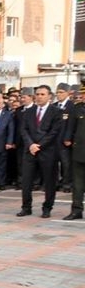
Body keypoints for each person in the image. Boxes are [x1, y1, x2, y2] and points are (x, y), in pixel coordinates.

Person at [17, 85, 63, 218]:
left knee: (49, 181)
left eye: (43, 94)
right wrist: (31, 144)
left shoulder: (56, 112)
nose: (39, 97)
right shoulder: (28, 112)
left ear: (49, 96)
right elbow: (23, 129)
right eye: (37, 94)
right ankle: (26, 207)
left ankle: (47, 208)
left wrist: (40, 145)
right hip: (30, 151)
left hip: (48, 151)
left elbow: (54, 131)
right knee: (26, 181)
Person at [63, 89, 85, 220]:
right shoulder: (77, 108)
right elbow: (70, 127)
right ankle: (76, 210)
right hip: (79, 151)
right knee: (78, 184)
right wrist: (67, 139)